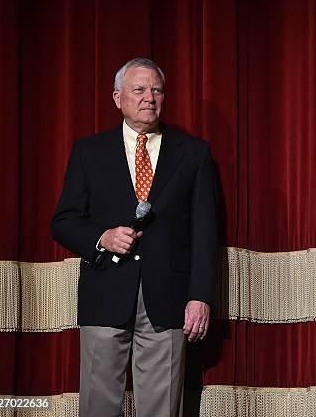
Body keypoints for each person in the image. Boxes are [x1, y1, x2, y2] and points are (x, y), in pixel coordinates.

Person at [51, 58, 218, 417]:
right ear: (117, 98)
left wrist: (199, 297)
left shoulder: (194, 154)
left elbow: (205, 233)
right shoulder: (89, 152)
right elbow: (63, 221)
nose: (149, 98)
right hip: (105, 292)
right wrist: (103, 237)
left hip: (168, 299)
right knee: (97, 405)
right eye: (139, 89)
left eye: (157, 89)